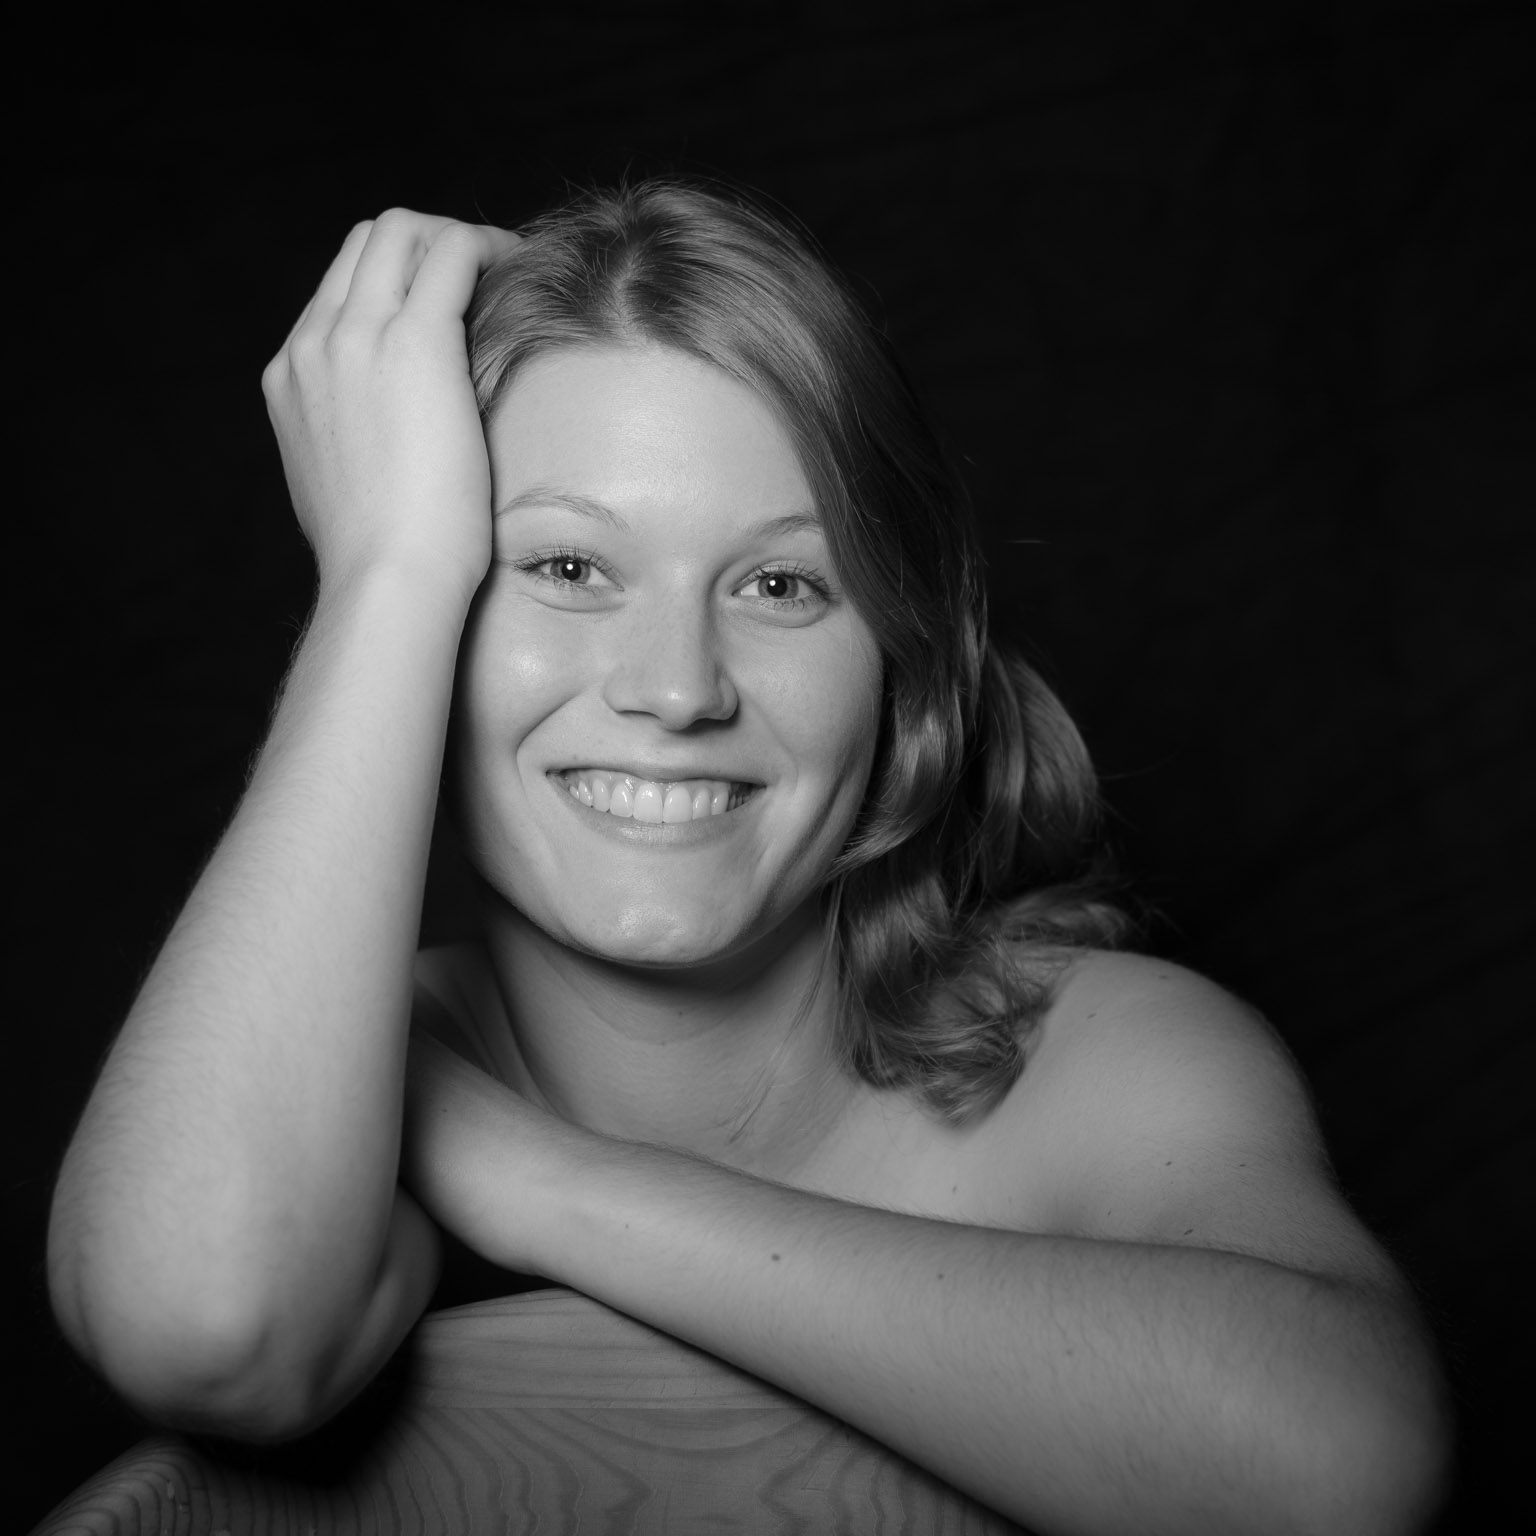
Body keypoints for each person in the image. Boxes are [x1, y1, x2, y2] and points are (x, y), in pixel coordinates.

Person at [47, 181, 1450, 1535]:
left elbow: (1341, 1473)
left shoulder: (1087, 1052)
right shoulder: (307, 1094)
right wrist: (383, 575)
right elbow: (206, 1330)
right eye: (566, 568)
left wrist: (533, 1178)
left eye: (782, 584)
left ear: (904, 671)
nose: (677, 688)